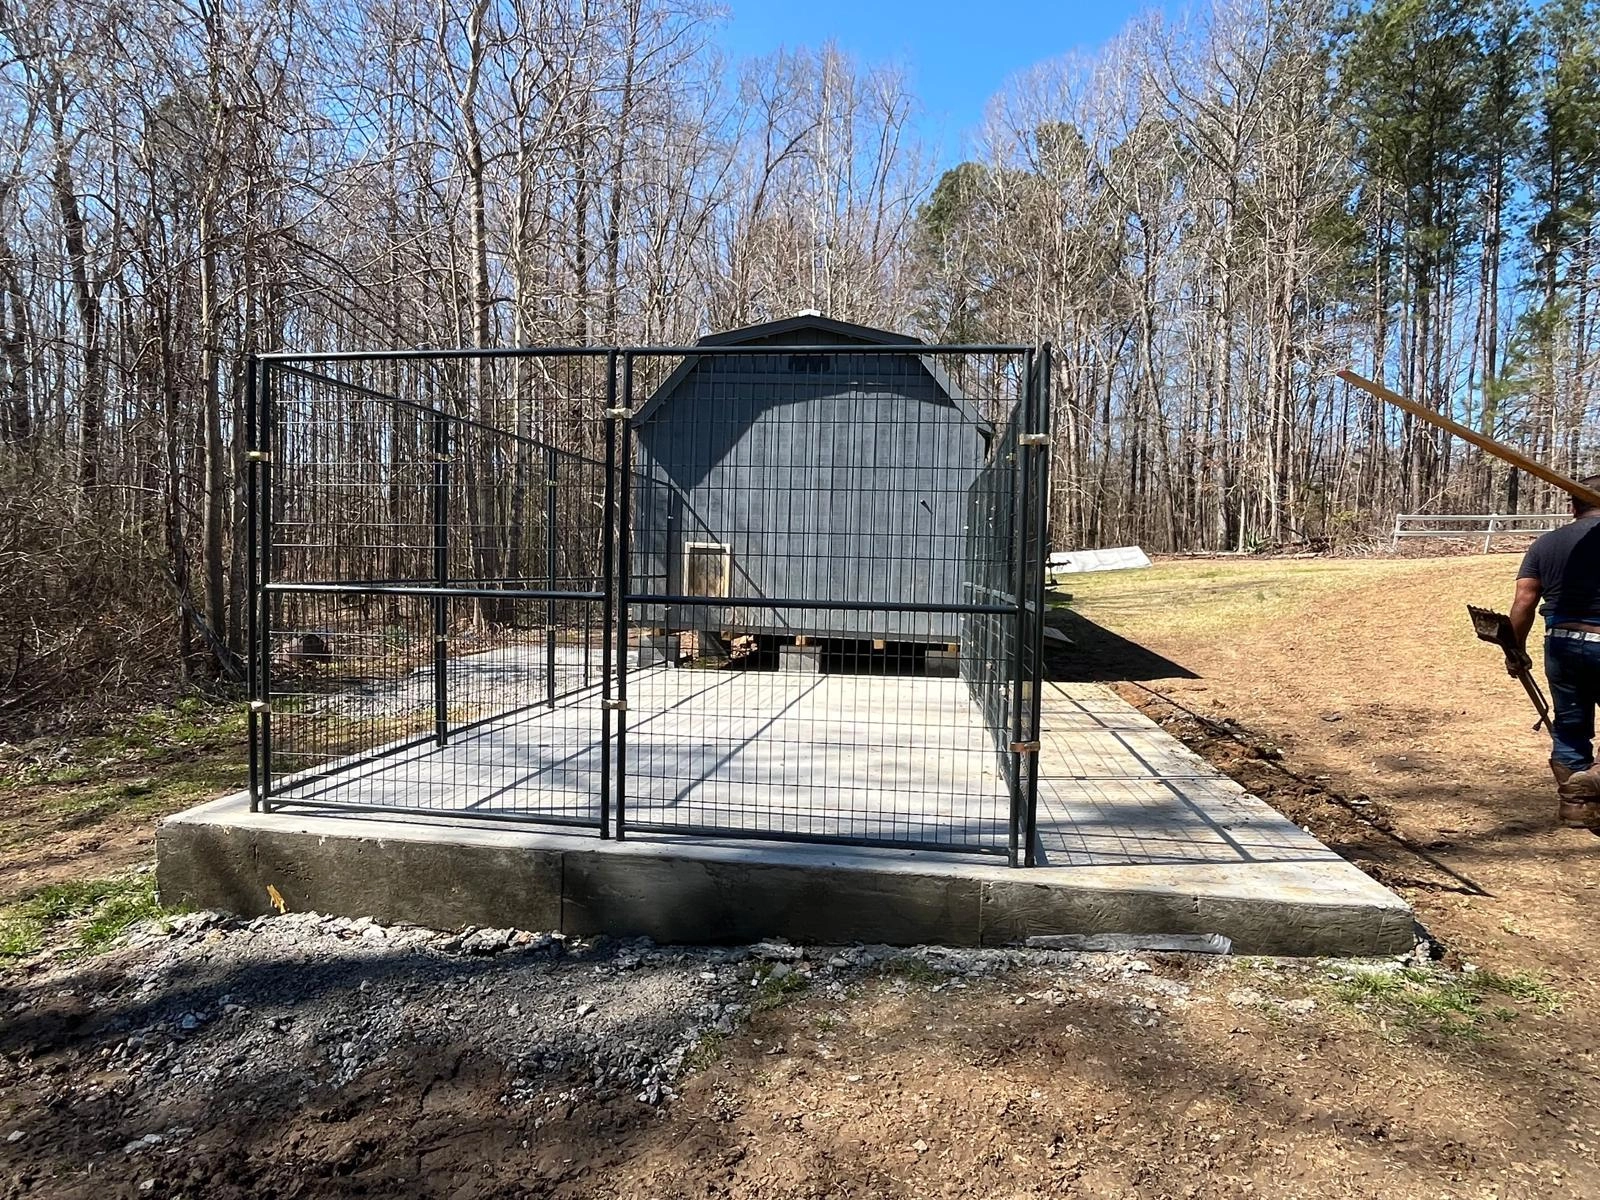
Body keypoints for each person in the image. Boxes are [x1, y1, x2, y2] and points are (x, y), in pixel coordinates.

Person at [1511, 475, 1600, 831]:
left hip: (1562, 641)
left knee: (1570, 723)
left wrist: (1514, 649)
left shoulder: (1546, 545)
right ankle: (1594, 781)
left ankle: (1576, 804)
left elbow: (1524, 600)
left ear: (1573, 506)